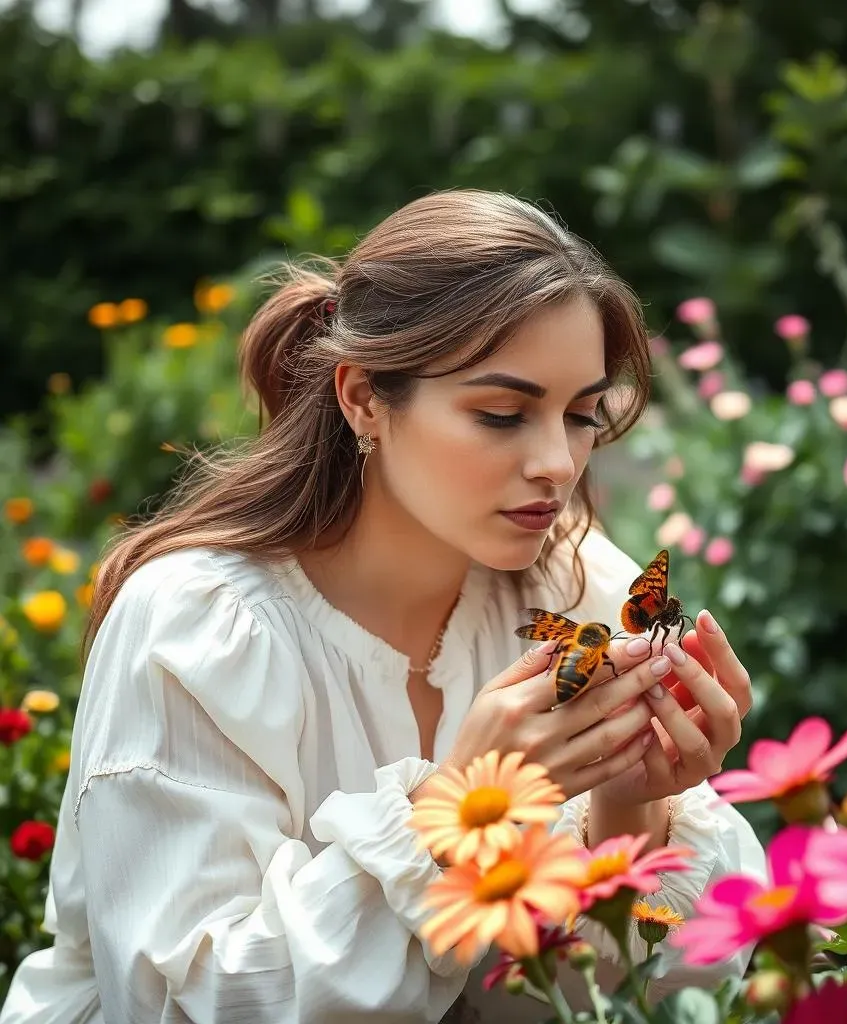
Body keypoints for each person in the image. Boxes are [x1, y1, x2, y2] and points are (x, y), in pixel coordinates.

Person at [1, 190, 764, 1024]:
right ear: (364, 398)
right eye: (502, 414)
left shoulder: (577, 589)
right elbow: (187, 1004)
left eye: (583, 415)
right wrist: (459, 810)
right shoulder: (200, 624)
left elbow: (564, 1005)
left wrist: (630, 806)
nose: (557, 462)